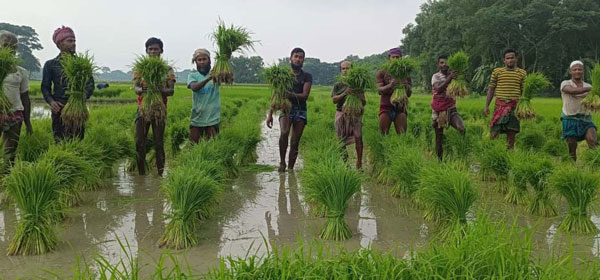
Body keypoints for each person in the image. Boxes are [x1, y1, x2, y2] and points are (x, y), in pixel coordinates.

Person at [41, 26, 94, 141]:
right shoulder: (51, 65)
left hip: (77, 109)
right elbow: (45, 87)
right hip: (59, 108)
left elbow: (90, 84)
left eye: (74, 41)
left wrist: (81, 97)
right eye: (69, 41)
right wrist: (51, 102)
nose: (74, 44)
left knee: (78, 140)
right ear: (60, 44)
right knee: (59, 140)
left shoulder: (82, 64)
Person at [134, 37, 175, 176]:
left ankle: (160, 175)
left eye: (156, 49)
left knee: (158, 143)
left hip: (159, 109)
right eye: (150, 49)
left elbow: (171, 91)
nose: (153, 52)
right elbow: (136, 88)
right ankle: (141, 175)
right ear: (146, 51)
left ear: (161, 51)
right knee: (140, 143)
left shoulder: (167, 70)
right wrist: (143, 90)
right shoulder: (140, 68)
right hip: (143, 109)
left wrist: (158, 89)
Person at [266, 47, 312, 172]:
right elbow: (275, 94)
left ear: (303, 60)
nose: (298, 59)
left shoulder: (307, 76)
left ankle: (291, 169)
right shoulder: (283, 75)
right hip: (286, 110)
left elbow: (305, 96)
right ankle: (282, 162)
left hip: (301, 111)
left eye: (300, 57)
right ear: (290, 58)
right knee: (284, 132)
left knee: (295, 141)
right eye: (295, 56)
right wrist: (270, 114)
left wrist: (289, 94)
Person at [0, 31, 32, 172]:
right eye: (5, 45)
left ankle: (5, 183)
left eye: (13, 47)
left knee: (10, 153)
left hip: (15, 114)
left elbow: (25, 97)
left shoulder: (21, 71)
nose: (9, 49)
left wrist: (28, 122)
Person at [484, 48, 526, 149]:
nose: (510, 60)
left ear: (516, 59)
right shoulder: (497, 72)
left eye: (512, 58)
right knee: (494, 132)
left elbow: (523, 91)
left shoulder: (522, 73)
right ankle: (491, 153)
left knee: (511, 133)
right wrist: (486, 106)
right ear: (504, 60)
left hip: (513, 107)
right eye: (508, 58)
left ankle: (509, 155)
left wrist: (523, 107)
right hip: (500, 106)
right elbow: (491, 89)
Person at [332, 61, 366, 169]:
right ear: (341, 71)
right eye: (343, 69)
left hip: (355, 114)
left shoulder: (358, 84)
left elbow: (364, 102)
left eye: (348, 68)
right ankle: (346, 165)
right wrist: (345, 93)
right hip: (341, 113)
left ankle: (359, 163)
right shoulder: (338, 85)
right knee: (341, 140)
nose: (346, 71)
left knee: (358, 137)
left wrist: (358, 94)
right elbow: (334, 100)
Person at [560, 60, 596, 161]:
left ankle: (595, 162)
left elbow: (595, 102)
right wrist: (592, 89)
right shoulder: (565, 83)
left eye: (579, 69)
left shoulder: (587, 86)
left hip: (586, 119)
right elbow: (572, 91)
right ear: (570, 72)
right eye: (574, 69)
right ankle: (572, 167)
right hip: (569, 119)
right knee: (572, 146)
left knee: (592, 140)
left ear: (583, 71)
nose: (577, 71)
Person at [431, 54, 465, 162]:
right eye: (441, 62)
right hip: (440, 110)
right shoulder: (436, 76)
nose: (444, 64)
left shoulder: (454, 75)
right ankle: (440, 161)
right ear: (438, 64)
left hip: (451, 109)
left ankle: (461, 153)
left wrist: (459, 77)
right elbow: (438, 89)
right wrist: (449, 79)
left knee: (461, 129)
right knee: (439, 137)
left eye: (446, 62)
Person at [187, 48, 220, 142]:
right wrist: (209, 78)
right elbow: (194, 87)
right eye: (199, 60)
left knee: (212, 145)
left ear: (209, 61)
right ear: (195, 62)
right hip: (197, 116)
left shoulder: (216, 74)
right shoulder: (192, 76)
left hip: (212, 117)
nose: (202, 62)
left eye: (204, 59)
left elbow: (227, 75)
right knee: (194, 144)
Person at [376, 48, 412, 134]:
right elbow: (379, 90)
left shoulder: (405, 73)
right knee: (383, 134)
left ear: (401, 58)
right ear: (389, 58)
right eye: (393, 57)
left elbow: (409, 93)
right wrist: (390, 85)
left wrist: (406, 85)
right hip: (385, 107)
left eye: (398, 57)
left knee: (402, 134)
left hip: (400, 108)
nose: (395, 59)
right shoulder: (382, 72)